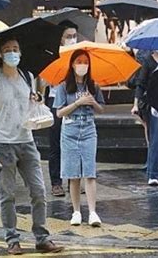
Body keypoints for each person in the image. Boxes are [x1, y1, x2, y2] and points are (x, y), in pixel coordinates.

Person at [0, 37, 63, 255]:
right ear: (0, 54)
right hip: (3, 144)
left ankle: (42, 238)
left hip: (27, 141)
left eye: (15, 49)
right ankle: (12, 239)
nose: (12, 53)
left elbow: (33, 103)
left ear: (21, 52)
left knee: (39, 191)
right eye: (7, 50)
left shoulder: (28, 76)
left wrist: (37, 98)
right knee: (7, 194)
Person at [54, 49, 105, 227]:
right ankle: (76, 211)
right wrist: (77, 103)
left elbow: (101, 109)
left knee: (90, 172)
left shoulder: (93, 86)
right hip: (70, 130)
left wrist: (92, 101)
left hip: (89, 129)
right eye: (79, 61)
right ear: (73, 64)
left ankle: (92, 212)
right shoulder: (63, 87)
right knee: (73, 173)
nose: (82, 65)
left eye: (85, 62)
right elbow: (59, 112)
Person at [44, 20, 79, 197]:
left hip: (74, 100)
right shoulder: (52, 55)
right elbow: (46, 79)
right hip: (56, 100)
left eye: (74, 36)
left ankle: (74, 180)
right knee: (55, 143)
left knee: (74, 142)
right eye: (68, 36)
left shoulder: (80, 56)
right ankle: (56, 182)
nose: (72, 39)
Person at [131, 50, 158, 186]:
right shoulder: (148, 61)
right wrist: (136, 104)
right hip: (153, 104)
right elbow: (141, 84)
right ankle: (154, 173)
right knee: (155, 138)